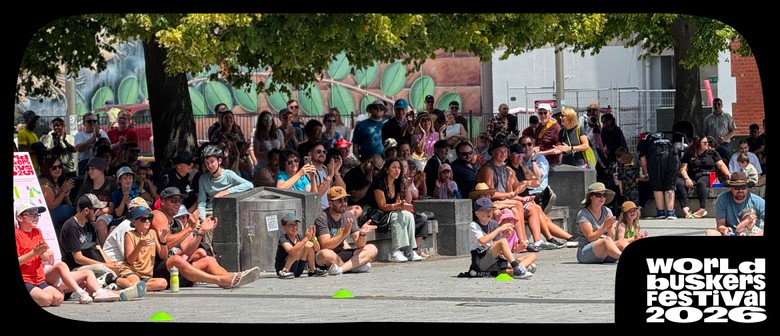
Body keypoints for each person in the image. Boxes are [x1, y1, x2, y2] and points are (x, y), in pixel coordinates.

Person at [151, 187, 261, 289]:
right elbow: (167, 242)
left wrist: (201, 232)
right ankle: (220, 280)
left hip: (175, 270)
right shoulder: (157, 215)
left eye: (179, 201)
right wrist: (189, 228)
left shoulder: (178, 223)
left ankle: (231, 278)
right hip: (158, 270)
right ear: (162, 202)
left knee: (208, 260)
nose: (177, 204)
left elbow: (187, 250)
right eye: (173, 201)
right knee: (176, 259)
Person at [16, 202, 119, 306]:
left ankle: (99, 291)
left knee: (58, 298)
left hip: (44, 277)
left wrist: (42, 252)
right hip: (33, 278)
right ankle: (82, 292)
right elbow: (78, 258)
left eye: (37, 214)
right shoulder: (71, 226)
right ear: (20, 218)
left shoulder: (37, 232)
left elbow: (45, 258)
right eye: (31, 214)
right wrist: (34, 253)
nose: (36, 217)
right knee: (47, 299)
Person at [313, 186, 379, 274]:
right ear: (330, 203)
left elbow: (360, 244)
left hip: (341, 253)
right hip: (326, 255)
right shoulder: (322, 218)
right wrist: (343, 234)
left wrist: (362, 234)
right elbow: (325, 245)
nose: (344, 203)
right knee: (325, 254)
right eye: (339, 201)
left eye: (345, 199)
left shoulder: (349, 215)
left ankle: (341, 269)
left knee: (372, 248)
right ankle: (353, 266)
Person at [197, 144, 254, 246]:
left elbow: (249, 185)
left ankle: (209, 251)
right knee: (195, 227)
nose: (209, 166)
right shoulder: (203, 178)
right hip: (209, 211)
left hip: (226, 210)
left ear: (219, 161)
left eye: (212, 162)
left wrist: (228, 191)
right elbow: (201, 202)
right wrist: (202, 218)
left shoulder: (229, 175)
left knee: (210, 228)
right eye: (207, 163)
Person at [367, 158, 422, 262]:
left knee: (408, 215)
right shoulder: (379, 183)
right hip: (378, 214)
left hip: (391, 212)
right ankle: (396, 251)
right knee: (397, 215)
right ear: (387, 169)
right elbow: (382, 206)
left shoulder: (397, 184)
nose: (397, 170)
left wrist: (403, 206)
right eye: (394, 167)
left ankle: (409, 250)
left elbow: (398, 203)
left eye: (399, 168)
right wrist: (397, 206)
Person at [468, 198, 535, 279]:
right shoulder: (474, 225)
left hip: (494, 259)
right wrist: (499, 229)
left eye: (490, 210)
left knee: (532, 255)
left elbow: (497, 246)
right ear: (477, 213)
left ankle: (517, 269)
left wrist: (506, 237)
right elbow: (483, 241)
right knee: (502, 241)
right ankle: (517, 268)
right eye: (485, 210)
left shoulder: (493, 223)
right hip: (480, 259)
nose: (489, 212)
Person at [677, 136, 730, 219]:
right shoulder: (690, 153)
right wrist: (687, 179)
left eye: (708, 142)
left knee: (701, 183)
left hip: (708, 175)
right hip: (693, 176)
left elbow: (720, 164)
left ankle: (702, 209)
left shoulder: (712, 152)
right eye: (705, 143)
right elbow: (683, 169)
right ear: (698, 144)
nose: (707, 144)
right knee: (679, 183)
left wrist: (727, 173)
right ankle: (684, 207)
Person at [120, 206, 169, 294]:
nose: (147, 221)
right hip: (131, 270)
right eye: (143, 219)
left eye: (149, 218)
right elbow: (130, 260)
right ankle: (115, 280)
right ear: (134, 222)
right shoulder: (129, 234)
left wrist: (163, 242)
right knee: (135, 281)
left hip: (146, 276)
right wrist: (140, 245)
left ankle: (135, 288)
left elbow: (163, 256)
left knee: (163, 283)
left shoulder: (152, 233)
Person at [705, 172, 765, 236]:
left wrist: (757, 234)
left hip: (752, 233)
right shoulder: (722, 199)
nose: (740, 190)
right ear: (731, 188)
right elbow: (720, 225)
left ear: (747, 187)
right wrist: (725, 229)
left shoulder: (758, 201)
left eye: (743, 187)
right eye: (736, 187)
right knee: (710, 233)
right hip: (730, 234)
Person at [575, 183, 621, 264]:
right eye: (598, 195)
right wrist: (604, 226)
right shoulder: (583, 214)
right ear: (591, 196)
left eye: (604, 195)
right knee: (606, 240)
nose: (602, 198)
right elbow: (590, 238)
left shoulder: (607, 211)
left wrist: (609, 228)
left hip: (604, 251)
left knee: (621, 242)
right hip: (586, 253)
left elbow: (612, 237)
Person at [638, 131, 680, 219]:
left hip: (656, 158)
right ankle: (671, 213)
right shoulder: (666, 139)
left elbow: (643, 161)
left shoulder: (642, 141)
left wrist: (645, 173)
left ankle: (660, 212)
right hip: (673, 158)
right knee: (670, 185)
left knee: (657, 185)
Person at [76, 157, 117, 246]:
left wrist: (101, 212)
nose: (90, 171)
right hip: (87, 214)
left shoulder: (110, 185)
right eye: (89, 169)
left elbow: (112, 209)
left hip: (105, 215)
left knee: (100, 223)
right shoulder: (86, 186)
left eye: (93, 169)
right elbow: (78, 206)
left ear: (101, 170)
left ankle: (105, 251)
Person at [275, 214, 327, 278]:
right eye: (291, 225)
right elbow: (292, 252)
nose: (294, 227)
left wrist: (313, 238)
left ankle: (312, 270)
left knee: (308, 245)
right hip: (282, 266)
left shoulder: (299, 237)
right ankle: (285, 270)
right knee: (299, 247)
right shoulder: (283, 238)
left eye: (296, 224)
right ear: (284, 227)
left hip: (297, 268)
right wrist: (306, 238)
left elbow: (317, 249)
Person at [38, 155, 76, 233]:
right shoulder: (45, 185)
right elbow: (52, 205)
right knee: (66, 210)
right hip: (45, 217)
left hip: (55, 214)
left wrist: (66, 196)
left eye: (60, 166)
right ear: (47, 169)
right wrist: (63, 191)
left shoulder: (58, 182)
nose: (57, 169)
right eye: (54, 167)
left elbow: (69, 203)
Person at [74, 112, 110, 176]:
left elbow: (108, 146)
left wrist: (98, 136)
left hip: (100, 161)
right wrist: (92, 138)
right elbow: (78, 148)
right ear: (84, 123)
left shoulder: (102, 133)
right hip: (85, 162)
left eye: (94, 121)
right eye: (89, 121)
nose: (92, 123)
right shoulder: (79, 135)